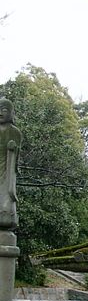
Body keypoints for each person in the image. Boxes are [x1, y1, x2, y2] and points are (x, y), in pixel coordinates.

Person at [0, 98, 22, 229]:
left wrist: (13, 149)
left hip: (6, 171)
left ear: (12, 113)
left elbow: (16, 158)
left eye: (4, 110)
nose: (0, 113)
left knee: (5, 204)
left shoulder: (14, 132)